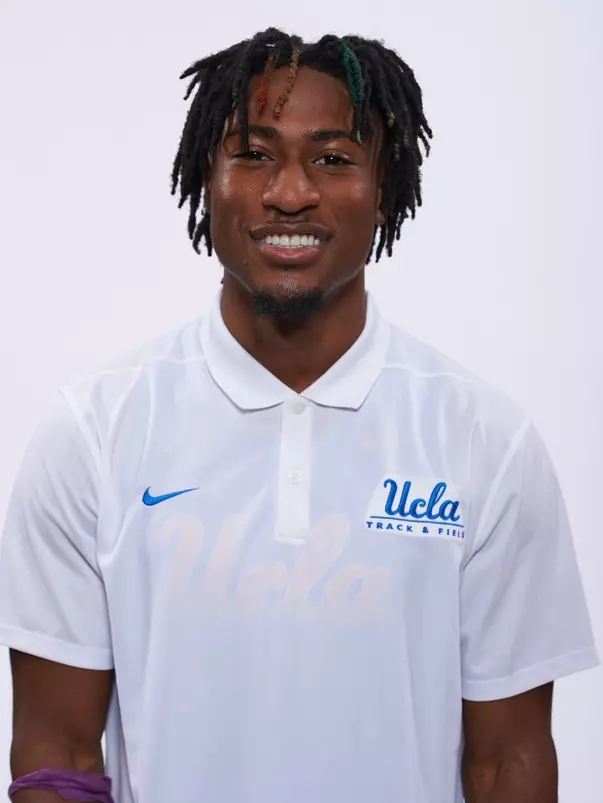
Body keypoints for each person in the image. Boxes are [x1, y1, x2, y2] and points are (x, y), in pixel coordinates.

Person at [0, 27, 599, 803]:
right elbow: (58, 752)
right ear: (202, 177)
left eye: (333, 158)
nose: (289, 193)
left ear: (384, 187)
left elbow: (507, 760)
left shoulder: (483, 439)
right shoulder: (91, 433)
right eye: (252, 154)